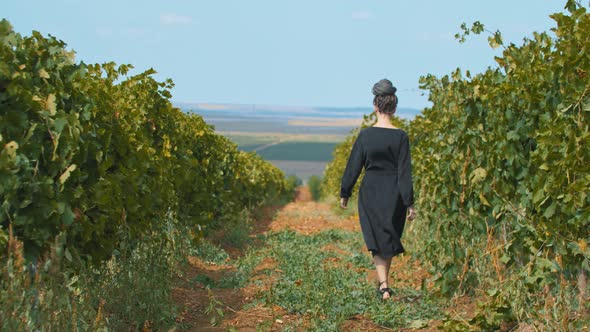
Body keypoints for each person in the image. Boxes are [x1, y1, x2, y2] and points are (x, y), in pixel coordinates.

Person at [340, 78, 416, 301]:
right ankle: (384, 284)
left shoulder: (365, 135)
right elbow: (404, 172)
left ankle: (384, 285)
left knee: (377, 238)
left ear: (375, 105)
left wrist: (345, 192)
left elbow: (354, 165)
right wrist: (409, 201)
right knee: (389, 236)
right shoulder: (401, 136)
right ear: (394, 107)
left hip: (370, 191)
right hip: (393, 192)